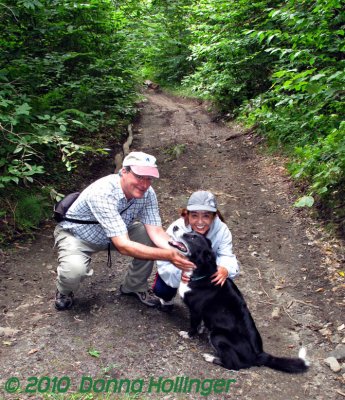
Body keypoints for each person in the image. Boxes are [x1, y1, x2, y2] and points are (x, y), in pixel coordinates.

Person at [54, 151, 195, 311]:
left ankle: (134, 286)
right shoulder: (103, 192)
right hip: (78, 236)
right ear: (123, 172)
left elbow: (156, 232)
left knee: (147, 235)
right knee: (74, 270)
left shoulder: (148, 194)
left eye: (149, 178)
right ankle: (64, 291)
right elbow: (123, 245)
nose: (144, 184)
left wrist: (181, 252)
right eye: (139, 177)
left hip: (116, 233)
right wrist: (168, 255)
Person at [152, 190, 240, 312]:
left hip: (205, 271)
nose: (200, 222)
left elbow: (226, 255)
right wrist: (180, 273)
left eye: (206, 216)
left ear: (214, 217)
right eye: (194, 215)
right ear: (187, 215)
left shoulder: (222, 230)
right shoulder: (176, 229)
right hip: (180, 268)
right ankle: (166, 299)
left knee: (222, 282)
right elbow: (164, 259)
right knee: (162, 289)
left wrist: (225, 269)